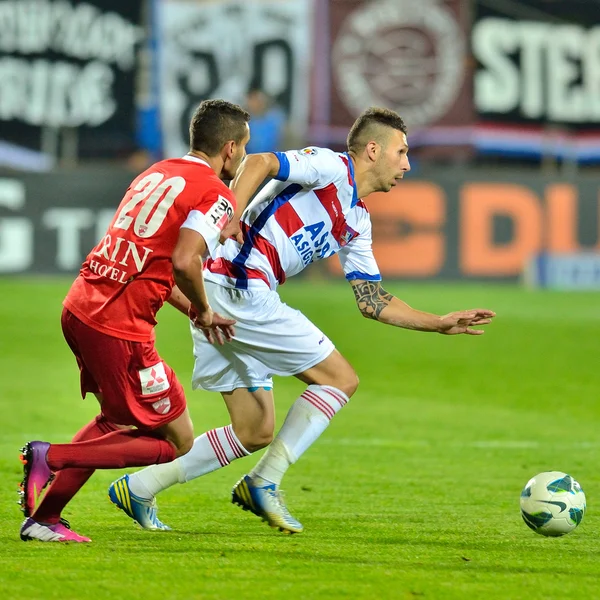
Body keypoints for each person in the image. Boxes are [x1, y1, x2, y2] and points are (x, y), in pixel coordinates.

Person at [109, 107, 496, 534]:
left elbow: (371, 300)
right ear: (373, 150)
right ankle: (264, 481)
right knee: (340, 379)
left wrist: (438, 322)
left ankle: (140, 487)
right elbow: (261, 162)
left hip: (222, 297)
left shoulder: (357, 220)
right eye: (401, 152)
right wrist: (230, 211)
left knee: (254, 430)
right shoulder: (331, 166)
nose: (407, 164)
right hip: (242, 288)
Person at [18, 99, 251, 543]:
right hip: (117, 326)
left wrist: (196, 314)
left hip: (82, 305)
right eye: (242, 148)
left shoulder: (157, 171)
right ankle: (53, 456)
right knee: (177, 439)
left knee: (116, 421)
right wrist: (203, 309)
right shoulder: (216, 194)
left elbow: (152, 266)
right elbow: (184, 261)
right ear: (228, 149)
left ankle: (45, 519)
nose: (240, 157)